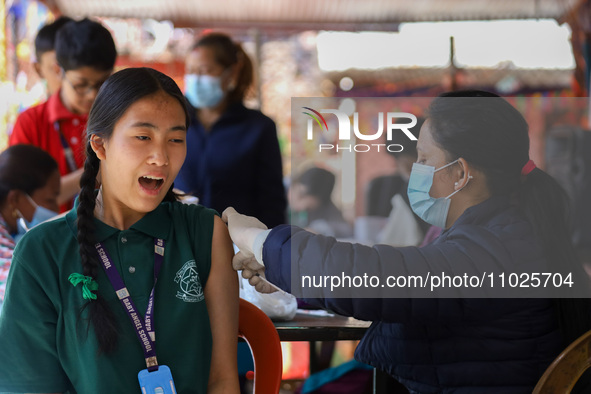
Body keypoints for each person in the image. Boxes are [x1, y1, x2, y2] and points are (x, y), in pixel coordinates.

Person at [223, 91, 591, 393]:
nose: (415, 170)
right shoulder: (503, 235)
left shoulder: (496, 248)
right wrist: (282, 271)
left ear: (461, 173)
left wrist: (258, 238)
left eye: (425, 158)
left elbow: (373, 278)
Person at [0, 68, 239, 393]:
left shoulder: (205, 234)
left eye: (176, 139)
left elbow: (222, 380)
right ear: (100, 145)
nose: (161, 157)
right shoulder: (41, 252)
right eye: (143, 137)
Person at [175, 32, 287, 228]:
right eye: (191, 71)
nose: (196, 79)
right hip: (179, 241)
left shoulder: (259, 128)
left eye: (205, 70)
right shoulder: (174, 120)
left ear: (231, 73)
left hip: (238, 247)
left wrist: (268, 250)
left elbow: (272, 202)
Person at [10, 18, 117, 212]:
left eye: (102, 83)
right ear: (59, 71)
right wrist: (95, 173)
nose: (92, 94)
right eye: (81, 85)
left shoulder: (119, 119)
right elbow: (20, 199)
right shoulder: (31, 123)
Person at [0, 144, 60, 311]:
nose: (56, 210)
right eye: (50, 200)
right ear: (16, 199)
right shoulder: (10, 257)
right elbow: (21, 284)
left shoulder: (13, 230)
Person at [290, 166, 352, 238]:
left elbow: (346, 229)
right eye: (301, 195)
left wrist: (317, 229)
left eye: (304, 196)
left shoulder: (327, 208)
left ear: (321, 199)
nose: (300, 204)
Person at [33, 16, 73, 98]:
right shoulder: (34, 111)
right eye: (59, 68)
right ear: (38, 70)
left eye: (74, 67)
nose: (69, 78)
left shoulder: (100, 109)